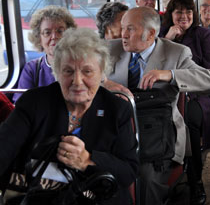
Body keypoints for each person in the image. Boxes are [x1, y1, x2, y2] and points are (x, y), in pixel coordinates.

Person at [0, 28, 139, 205]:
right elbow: (3, 148)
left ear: (101, 73)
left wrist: (87, 160)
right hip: (40, 196)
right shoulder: (34, 103)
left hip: (98, 198)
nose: (77, 81)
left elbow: (128, 172)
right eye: (68, 71)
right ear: (57, 72)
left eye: (87, 71)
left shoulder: (117, 109)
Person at [104, 6, 210, 205]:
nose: (123, 34)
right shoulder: (109, 49)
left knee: (145, 179)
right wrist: (104, 82)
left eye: (130, 29)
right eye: (122, 28)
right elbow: (80, 71)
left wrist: (170, 75)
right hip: (115, 132)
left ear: (150, 33)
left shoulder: (176, 53)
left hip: (159, 137)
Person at [160, 0, 210, 204]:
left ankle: (196, 181)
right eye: (179, 12)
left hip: (198, 94)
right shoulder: (161, 36)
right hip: (165, 93)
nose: (184, 16)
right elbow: (152, 64)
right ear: (171, 15)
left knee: (189, 123)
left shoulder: (204, 35)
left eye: (188, 12)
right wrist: (167, 40)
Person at [16, 6, 77, 101]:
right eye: (47, 32)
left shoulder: (82, 66)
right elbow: (21, 106)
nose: (54, 36)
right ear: (39, 38)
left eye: (60, 31)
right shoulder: (32, 70)